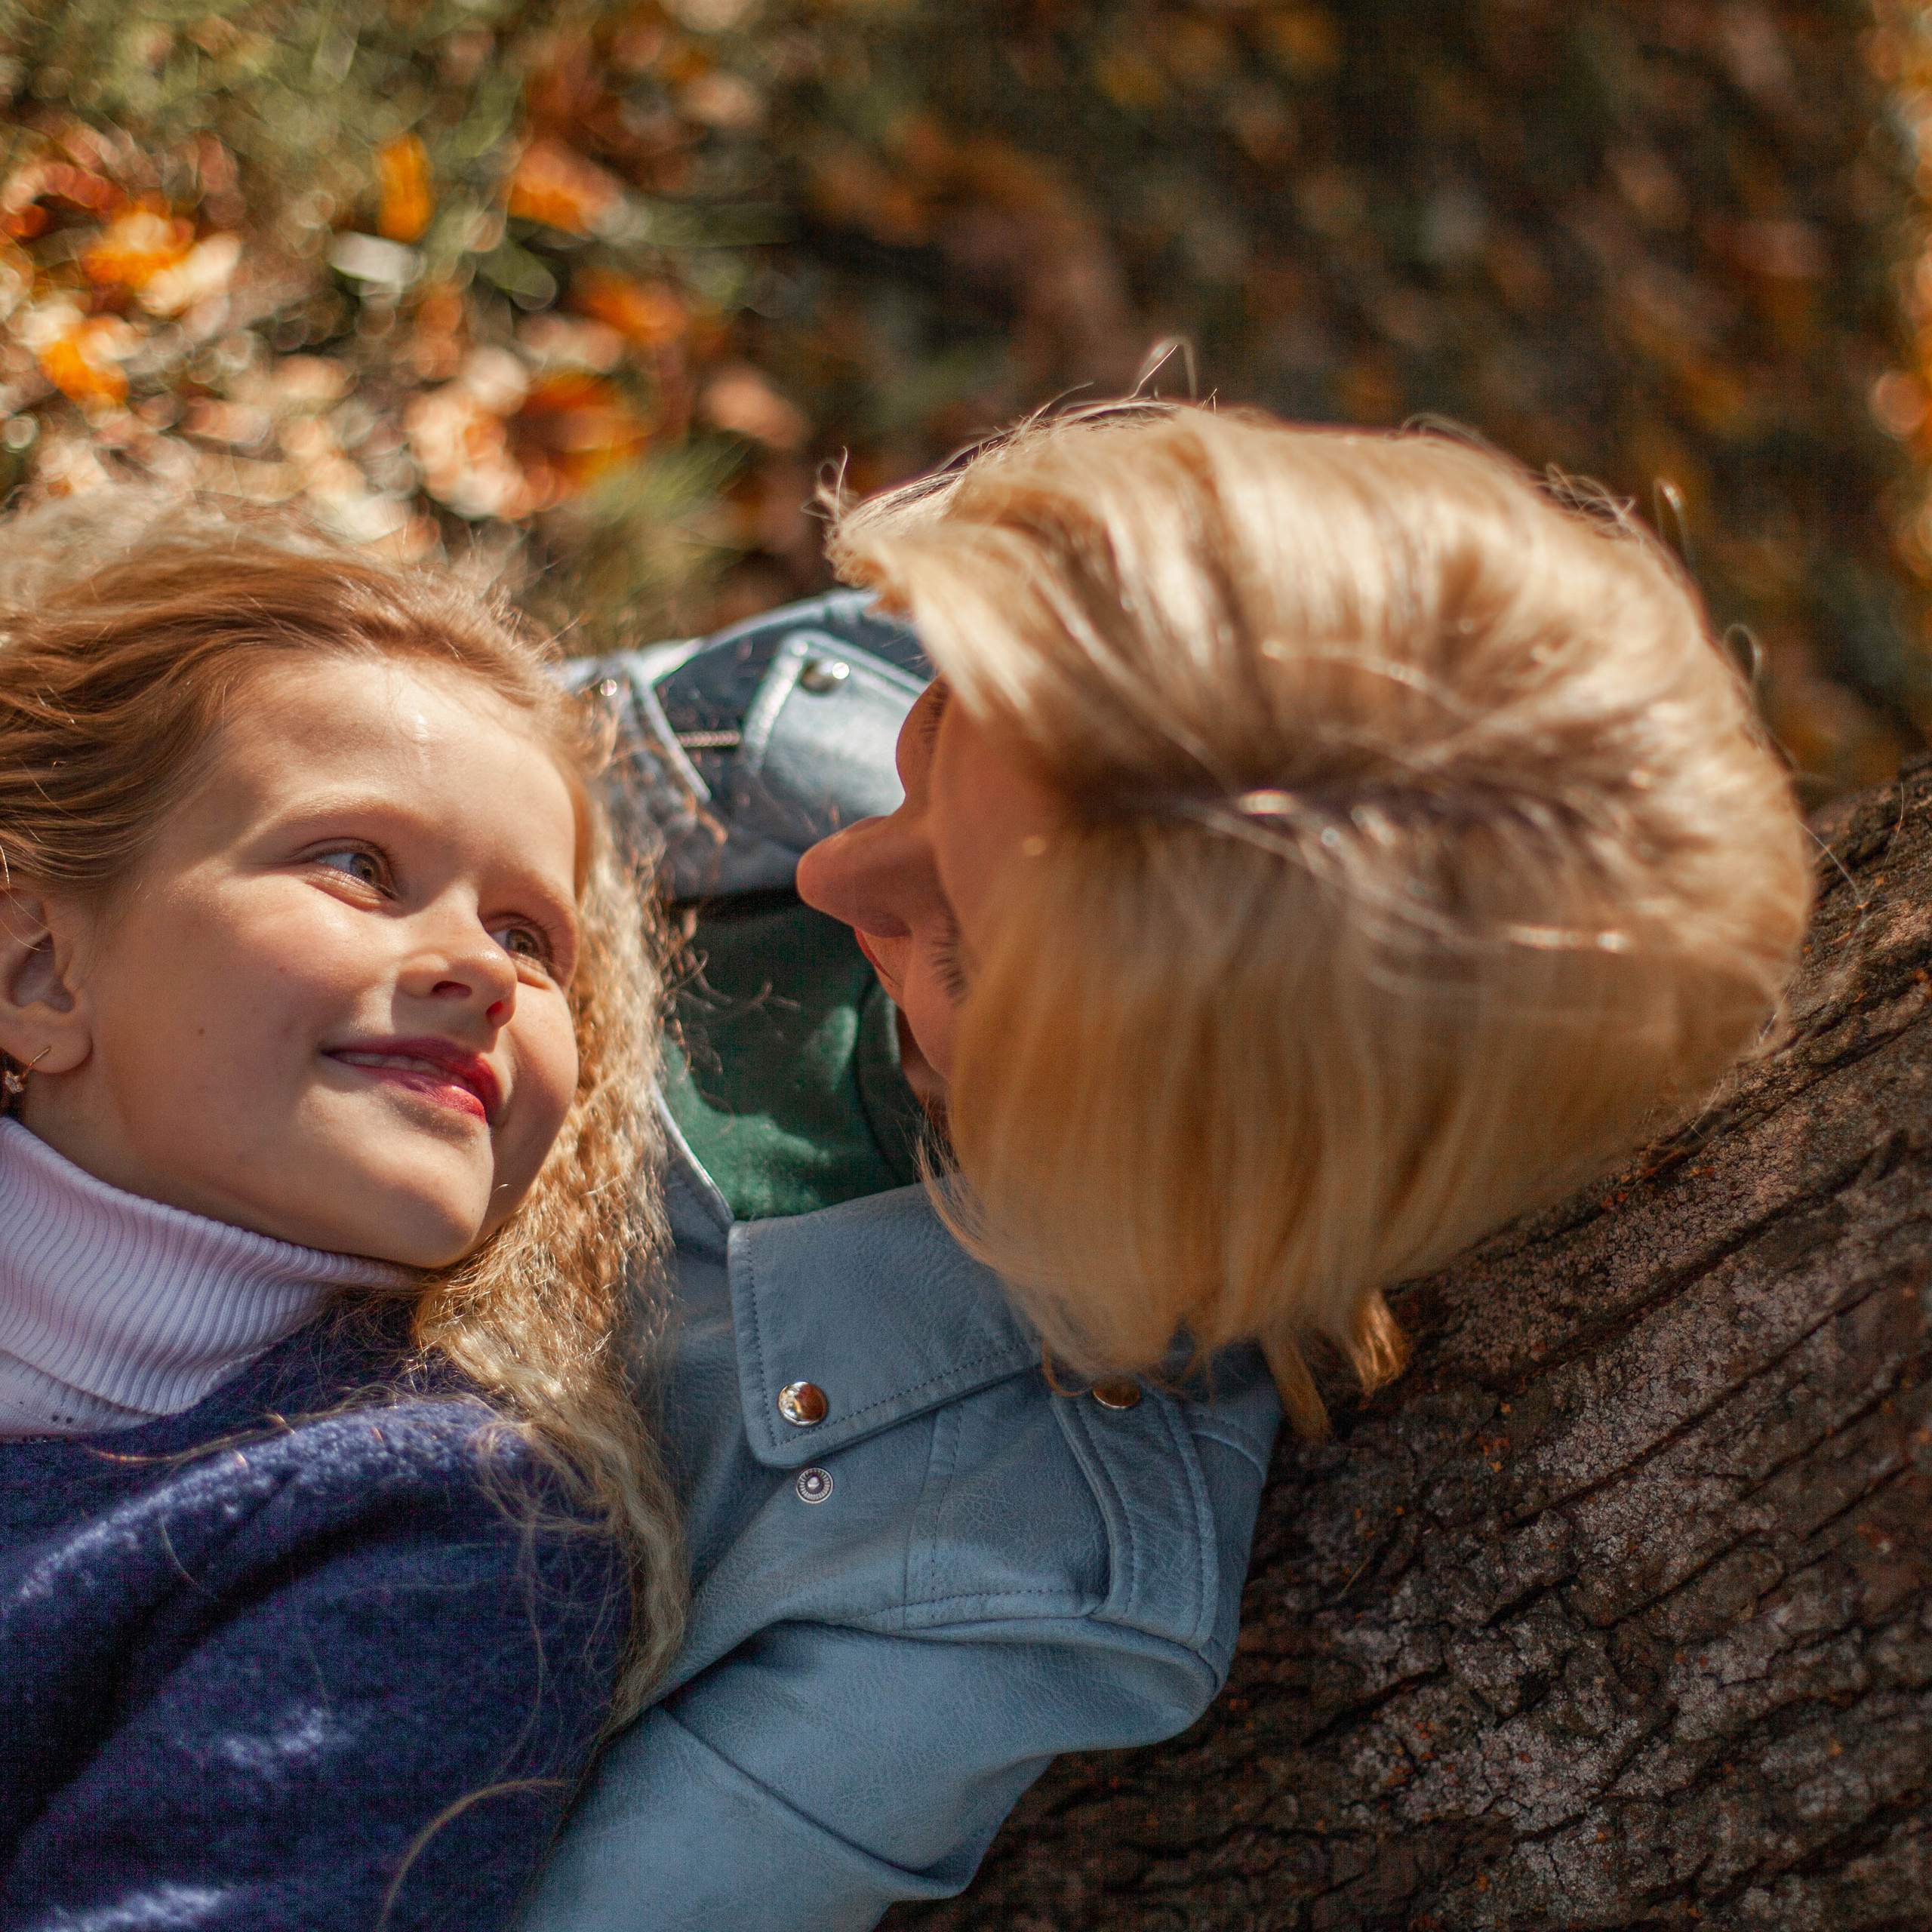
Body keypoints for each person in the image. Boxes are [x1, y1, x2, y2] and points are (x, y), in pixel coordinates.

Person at [519, 401, 1814, 1928]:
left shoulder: (985, 1581)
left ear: (1200, 1156)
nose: (834, 867)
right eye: (931, 743)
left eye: (966, 956)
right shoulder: (894, 684)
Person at [0, 494, 683, 1928]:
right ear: (41, 973)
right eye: (360, 866)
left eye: (529, 938)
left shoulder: (426, 1530)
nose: (480, 971)